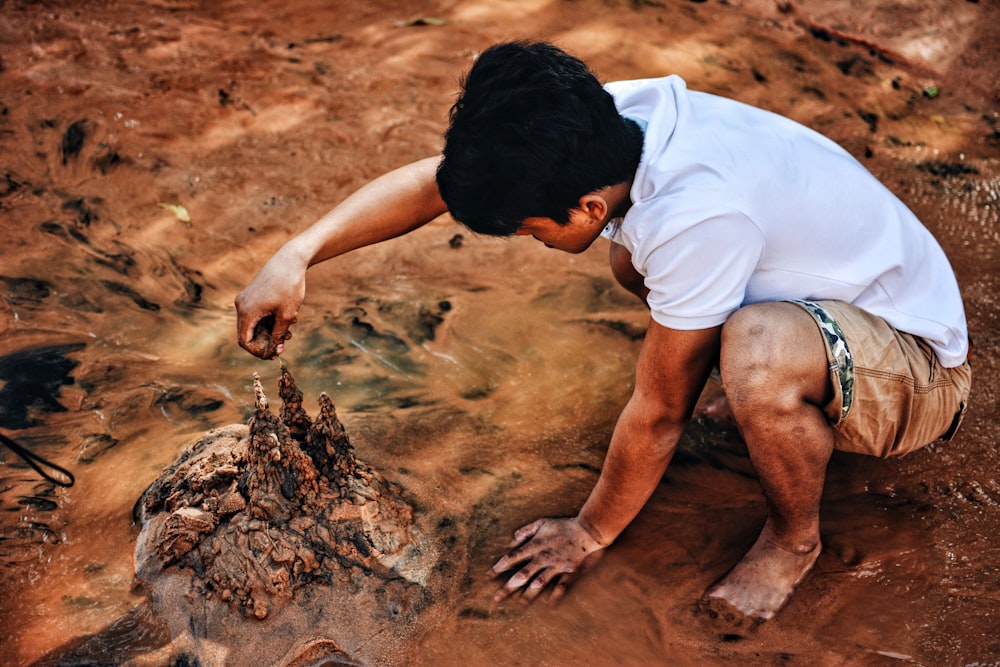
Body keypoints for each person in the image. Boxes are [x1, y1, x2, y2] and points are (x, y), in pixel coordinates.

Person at [235, 41, 972, 620]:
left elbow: (657, 414)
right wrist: (296, 254)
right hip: (841, 302)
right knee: (638, 266)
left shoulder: (694, 216)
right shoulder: (606, 123)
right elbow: (440, 182)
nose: (530, 239)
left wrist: (590, 531)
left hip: (919, 368)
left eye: (529, 229)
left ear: (585, 206)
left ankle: (793, 537)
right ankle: (776, 399)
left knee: (755, 351)